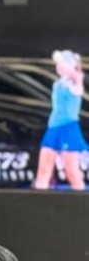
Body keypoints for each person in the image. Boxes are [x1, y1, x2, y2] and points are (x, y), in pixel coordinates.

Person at [34, 49, 88, 191]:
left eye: (63, 63)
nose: (59, 66)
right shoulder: (57, 84)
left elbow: (77, 78)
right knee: (43, 170)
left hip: (68, 127)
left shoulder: (76, 81)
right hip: (53, 128)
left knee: (72, 172)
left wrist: (70, 66)